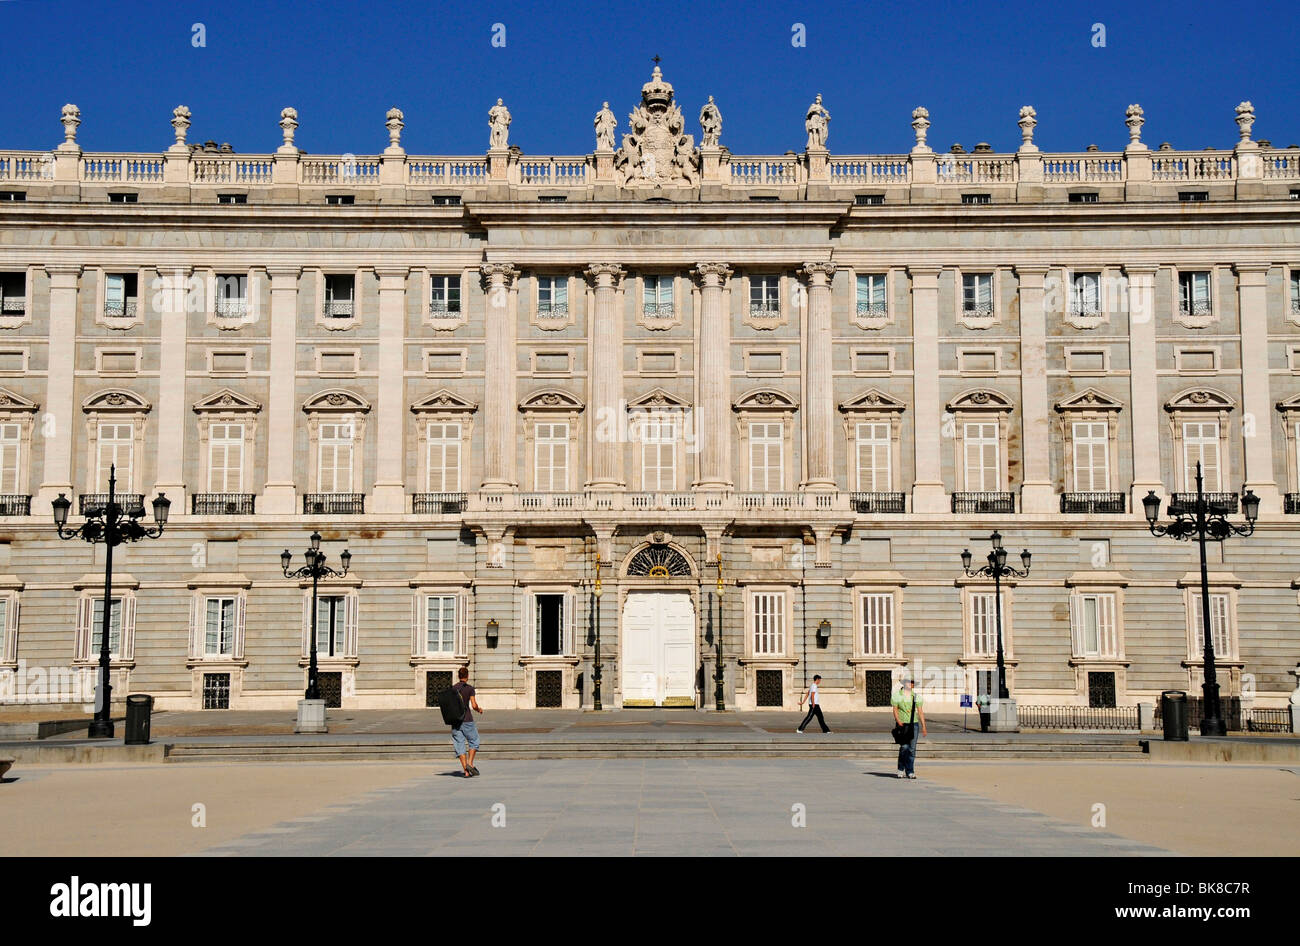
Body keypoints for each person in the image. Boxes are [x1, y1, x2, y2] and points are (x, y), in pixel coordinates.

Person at [450, 665, 484, 778]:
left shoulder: (453, 688)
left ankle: (466, 771)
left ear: (458, 676)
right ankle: (470, 764)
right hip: (467, 720)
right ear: (467, 676)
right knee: (474, 741)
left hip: (455, 721)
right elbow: (473, 705)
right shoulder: (469, 688)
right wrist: (479, 709)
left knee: (459, 745)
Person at [891, 676, 927, 778]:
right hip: (902, 725)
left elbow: (920, 712)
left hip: (913, 724)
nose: (910, 685)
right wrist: (898, 720)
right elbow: (895, 709)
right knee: (904, 747)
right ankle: (900, 769)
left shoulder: (916, 697)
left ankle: (910, 770)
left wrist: (924, 726)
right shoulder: (897, 695)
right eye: (908, 683)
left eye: (912, 683)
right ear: (904, 684)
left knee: (912, 749)